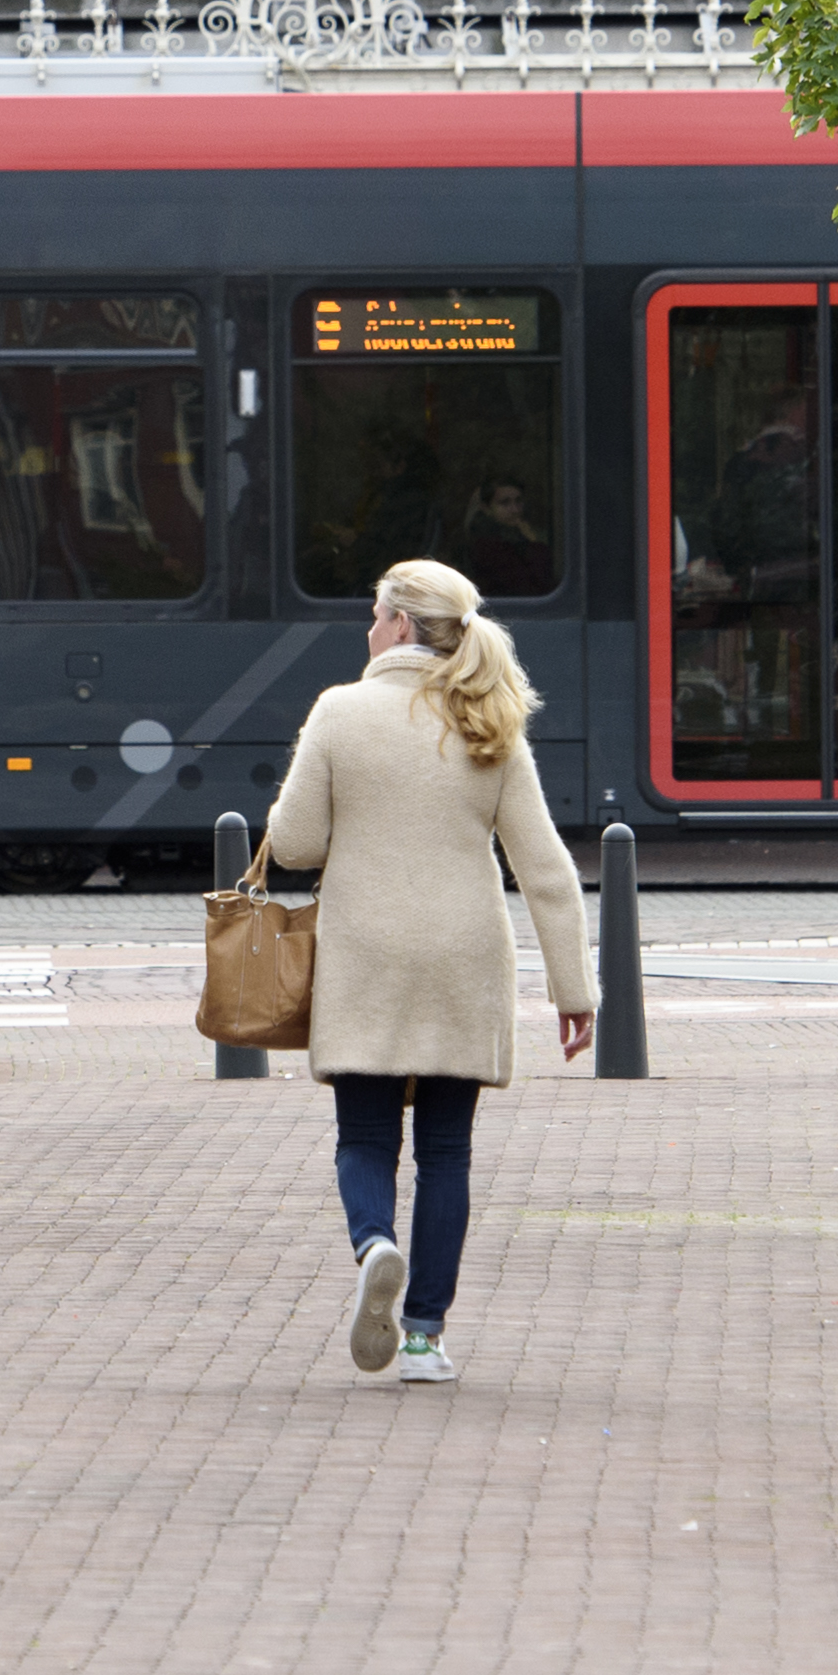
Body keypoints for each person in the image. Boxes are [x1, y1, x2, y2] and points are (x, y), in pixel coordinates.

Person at [259, 556, 596, 1388]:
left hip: (366, 953)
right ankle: (423, 1338)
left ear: (401, 626)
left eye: (376, 614)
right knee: (447, 1151)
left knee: (365, 1136)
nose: (369, 629)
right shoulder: (490, 719)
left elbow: (295, 845)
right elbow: (544, 866)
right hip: (464, 959)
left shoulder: (339, 711)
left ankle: (376, 1243)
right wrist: (574, 990)